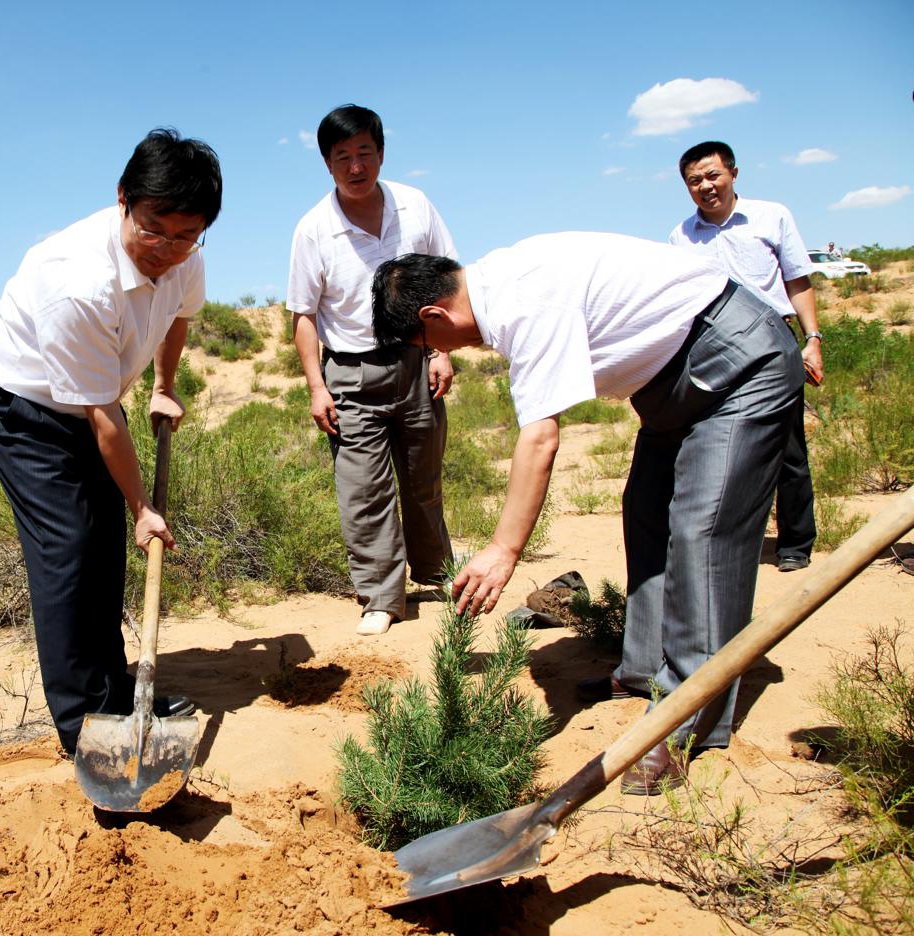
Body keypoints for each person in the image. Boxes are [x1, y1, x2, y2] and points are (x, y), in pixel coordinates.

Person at [370, 234, 803, 794]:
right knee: (646, 510)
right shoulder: (497, 283)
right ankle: (644, 672)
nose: (434, 352)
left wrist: (503, 550)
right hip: (675, 385)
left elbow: (541, 439)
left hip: (739, 366)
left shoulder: (524, 302)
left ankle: (685, 720)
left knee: (704, 532)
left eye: (425, 342)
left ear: (434, 313)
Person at [0, 128, 221, 757]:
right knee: (71, 547)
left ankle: (116, 695)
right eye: (154, 229)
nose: (168, 249)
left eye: (186, 234)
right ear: (122, 200)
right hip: (24, 402)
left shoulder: (186, 255)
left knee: (103, 544)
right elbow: (104, 416)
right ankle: (83, 725)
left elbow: (179, 316)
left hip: (92, 395)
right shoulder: (76, 280)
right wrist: (143, 509)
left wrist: (163, 383)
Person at [286, 104, 456, 637]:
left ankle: (435, 573)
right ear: (327, 163)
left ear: (380, 153)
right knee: (363, 492)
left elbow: (448, 279)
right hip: (351, 375)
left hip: (416, 361)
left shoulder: (416, 205)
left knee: (423, 478)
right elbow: (303, 314)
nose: (355, 166)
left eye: (364, 153)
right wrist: (317, 387)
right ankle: (381, 596)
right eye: (343, 156)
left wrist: (443, 351)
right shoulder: (314, 228)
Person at [669, 141, 820, 573]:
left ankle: (795, 543)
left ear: (733, 173)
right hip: (712, 350)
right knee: (722, 448)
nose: (705, 187)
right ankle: (737, 540)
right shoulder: (681, 236)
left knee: (787, 447)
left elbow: (798, 280)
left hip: (775, 343)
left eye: (713, 176)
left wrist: (813, 339)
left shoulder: (771, 216)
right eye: (694, 181)